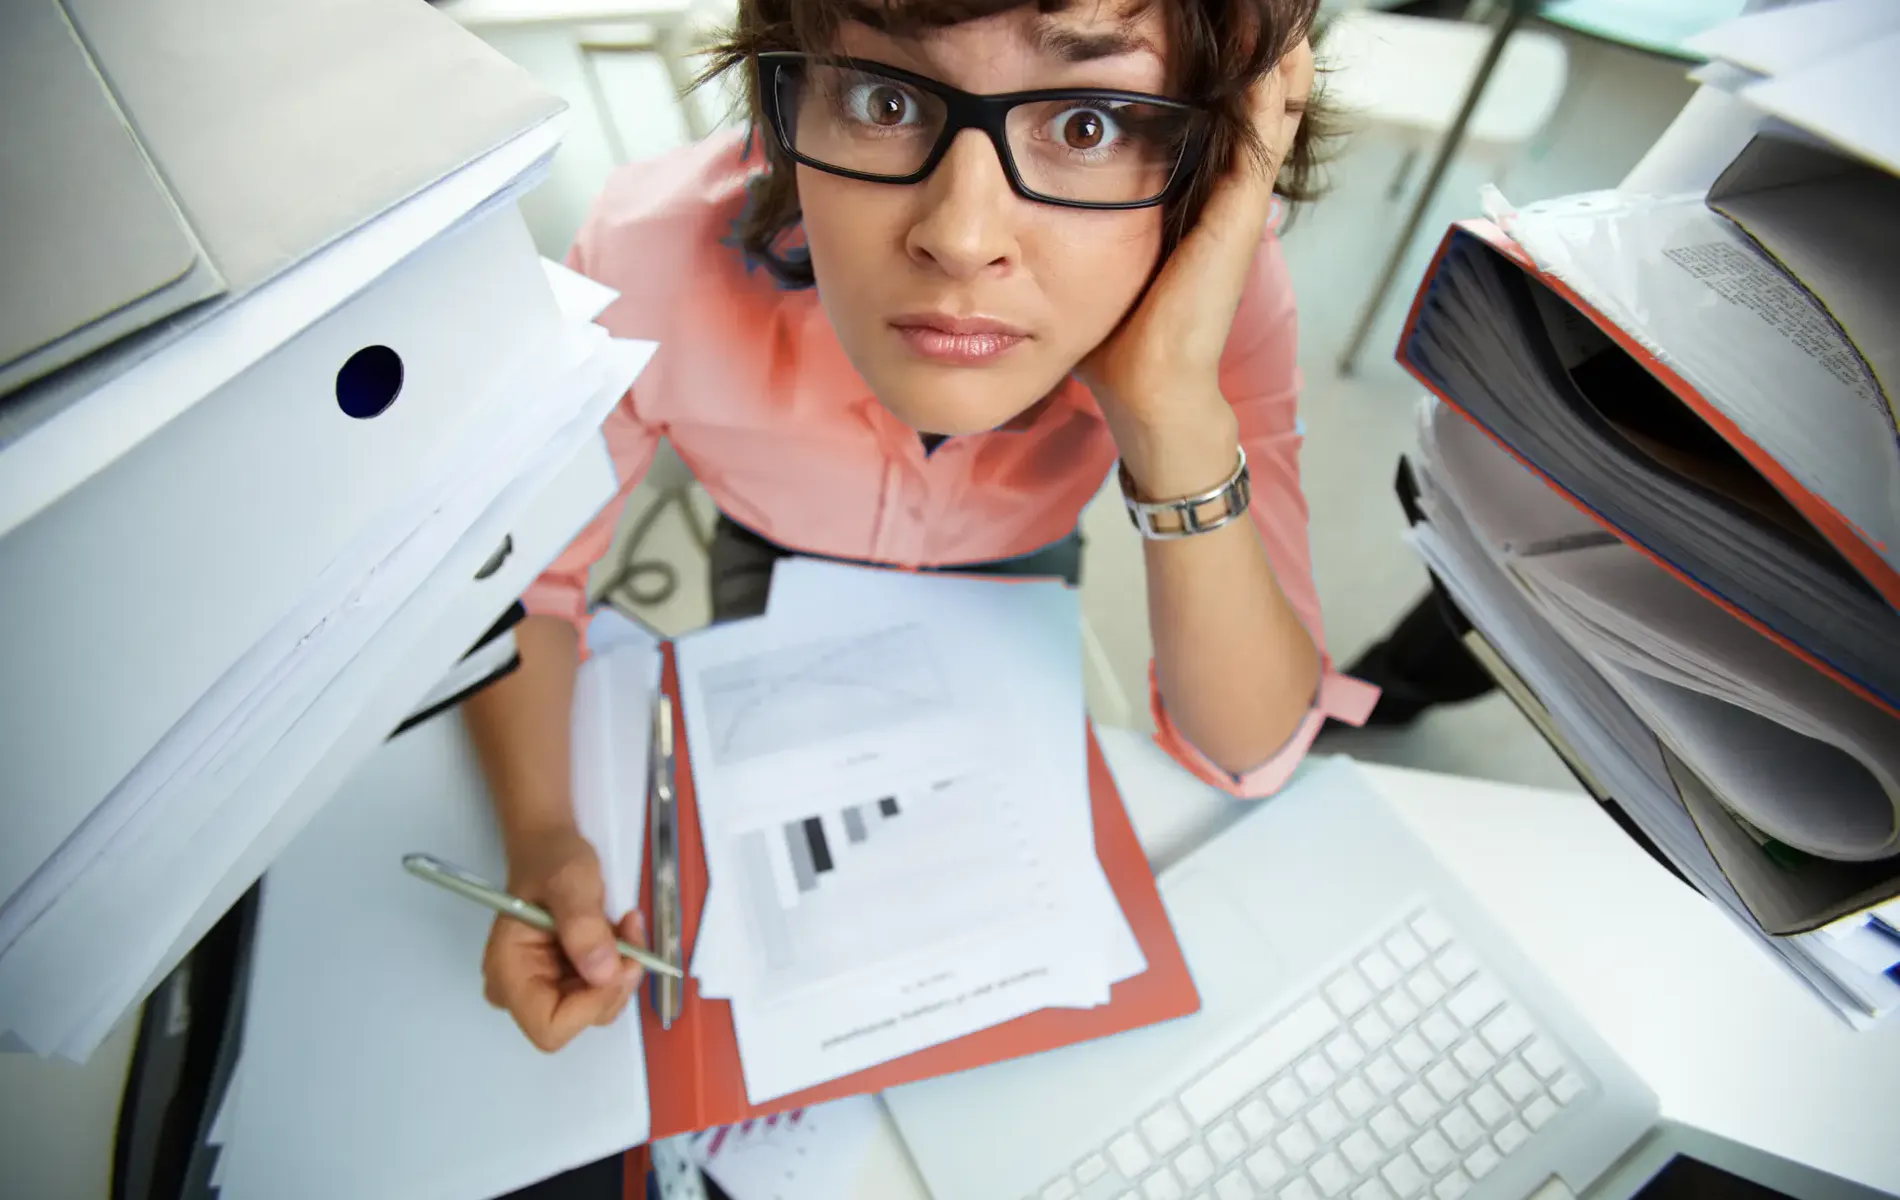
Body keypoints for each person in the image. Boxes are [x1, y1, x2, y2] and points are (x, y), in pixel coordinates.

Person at [464, 0, 1378, 1054]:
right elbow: (522, 583)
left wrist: (1170, 411)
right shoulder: (648, 248)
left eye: (1087, 123)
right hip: (766, 550)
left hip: (1015, 568)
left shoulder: (1218, 298)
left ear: (1210, 151)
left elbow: (1247, 751)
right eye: (883, 100)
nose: (961, 237)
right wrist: (541, 833)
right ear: (788, 91)